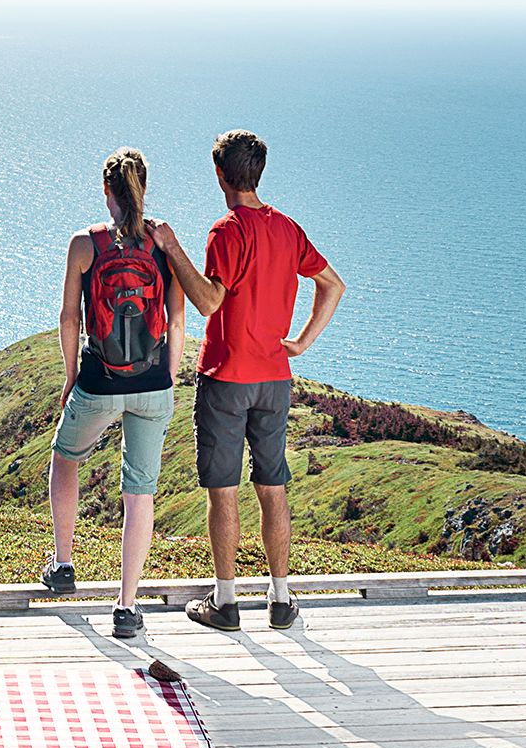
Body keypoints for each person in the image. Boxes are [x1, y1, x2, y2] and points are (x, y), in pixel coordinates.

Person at [156, 128, 346, 632]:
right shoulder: (287, 228)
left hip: (226, 378)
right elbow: (332, 284)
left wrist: (173, 249)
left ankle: (226, 603)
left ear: (220, 174)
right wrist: (302, 343)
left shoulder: (226, 231)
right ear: (257, 173)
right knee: (272, 487)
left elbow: (208, 301)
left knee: (224, 491)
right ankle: (281, 601)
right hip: (274, 380)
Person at [43, 147, 186, 640]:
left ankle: (63, 566)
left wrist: (69, 376)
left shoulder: (85, 243)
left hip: (100, 380)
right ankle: (126, 607)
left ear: (107, 191)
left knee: (66, 457)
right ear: (144, 188)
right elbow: (178, 318)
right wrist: (166, 374)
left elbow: (69, 317)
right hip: (153, 384)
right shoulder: (164, 242)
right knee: (139, 489)